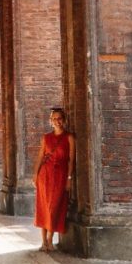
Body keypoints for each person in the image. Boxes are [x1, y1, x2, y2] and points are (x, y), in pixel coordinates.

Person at [32, 106, 75, 252]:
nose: (57, 121)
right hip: (45, 175)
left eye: (59, 118)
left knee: (54, 208)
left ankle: (50, 240)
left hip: (61, 176)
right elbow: (40, 157)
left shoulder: (69, 138)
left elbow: (71, 160)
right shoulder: (46, 138)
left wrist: (69, 178)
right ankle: (43, 242)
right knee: (43, 207)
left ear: (64, 120)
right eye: (54, 119)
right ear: (50, 121)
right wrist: (35, 174)